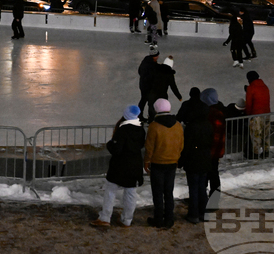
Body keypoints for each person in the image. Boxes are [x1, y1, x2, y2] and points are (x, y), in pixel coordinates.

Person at [91, 105, 145, 228]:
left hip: (120, 165)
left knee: (110, 190)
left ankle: (105, 217)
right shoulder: (141, 130)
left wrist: (110, 144)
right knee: (131, 193)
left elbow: (116, 149)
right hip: (135, 164)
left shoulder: (123, 129)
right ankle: (127, 220)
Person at [144, 98, 184, 229]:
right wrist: (176, 157)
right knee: (168, 192)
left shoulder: (154, 126)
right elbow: (180, 145)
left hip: (157, 163)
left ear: (156, 109)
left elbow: (149, 147)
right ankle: (169, 218)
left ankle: (158, 219)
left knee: (158, 192)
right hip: (172, 163)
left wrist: (147, 161)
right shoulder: (178, 125)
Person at [179, 97, 213, 224]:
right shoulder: (208, 125)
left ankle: (193, 214)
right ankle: (204, 213)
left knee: (193, 189)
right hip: (205, 160)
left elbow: (187, 146)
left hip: (193, 161)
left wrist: (182, 161)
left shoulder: (192, 126)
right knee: (202, 188)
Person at [200, 88, 226, 199]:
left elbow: (214, 136)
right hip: (214, 151)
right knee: (212, 174)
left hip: (210, 151)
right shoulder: (217, 111)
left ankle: (207, 199)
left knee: (209, 174)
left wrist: (208, 151)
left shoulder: (213, 114)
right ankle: (208, 198)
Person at [244, 71, 271, 159]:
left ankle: (255, 154)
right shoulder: (265, 86)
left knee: (256, 135)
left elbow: (249, 104)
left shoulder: (251, 88)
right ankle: (266, 152)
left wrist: (248, 115)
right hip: (266, 113)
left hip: (256, 115)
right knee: (265, 134)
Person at [149, 55, 182, 121]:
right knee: (162, 108)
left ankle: (151, 121)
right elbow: (173, 86)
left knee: (151, 106)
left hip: (152, 92)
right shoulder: (169, 74)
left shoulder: (156, 69)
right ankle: (161, 121)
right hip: (162, 94)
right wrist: (179, 96)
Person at [137, 48, 160, 121]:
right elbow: (153, 75)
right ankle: (151, 117)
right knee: (150, 101)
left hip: (143, 84)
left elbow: (139, 71)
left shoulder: (145, 61)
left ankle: (140, 115)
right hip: (148, 86)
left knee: (143, 100)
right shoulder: (152, 64)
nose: (158, 57)